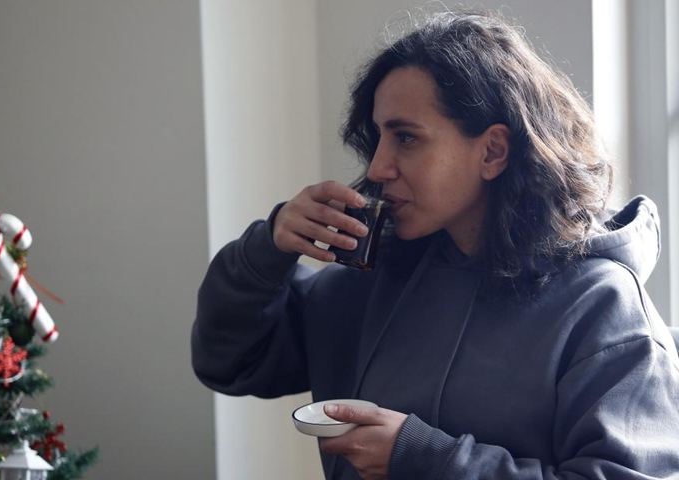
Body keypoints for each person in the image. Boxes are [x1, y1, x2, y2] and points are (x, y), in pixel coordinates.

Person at [191, 9, 679, 480]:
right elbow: (231, 364)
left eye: (405, 138)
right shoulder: (368, 283)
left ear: (492, 151)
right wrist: (266, 252)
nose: (378, 168)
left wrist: (422, 459)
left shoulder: (601, 307)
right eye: (378, 138)